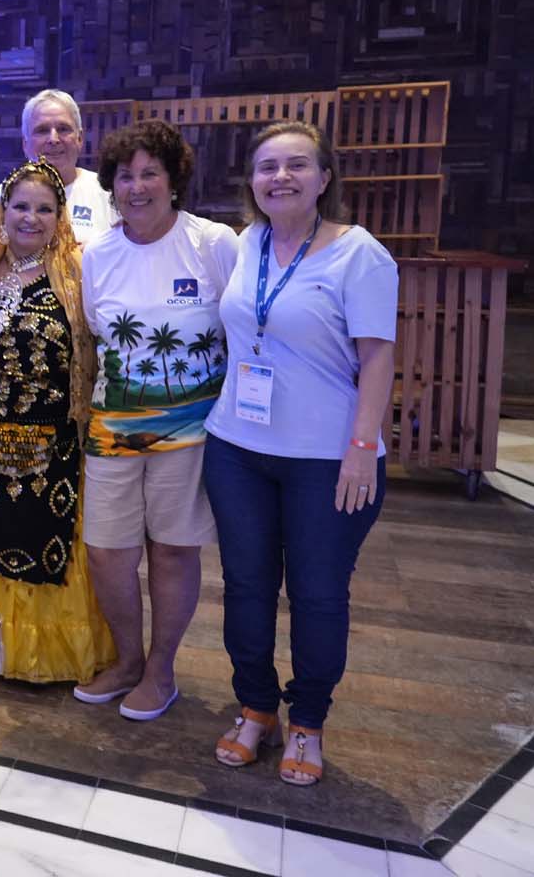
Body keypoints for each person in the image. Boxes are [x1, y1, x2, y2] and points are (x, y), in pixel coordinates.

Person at [204, 122, 396, 787]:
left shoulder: (359, 254)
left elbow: (377, 358)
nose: (280, 177)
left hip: (327, 458)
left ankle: (308, 720)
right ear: (252, 181)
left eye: (296, 165)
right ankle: (255, 707)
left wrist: (362, 448)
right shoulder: (245, 244)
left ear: (324, 178)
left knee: (317, 595)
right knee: (246, 586)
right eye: (267, 166)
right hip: (237, 448)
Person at [75, 121, 239, 718]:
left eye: (150, 174)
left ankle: (161, 671)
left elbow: (240, 332)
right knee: (107, 551)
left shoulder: (214, 243)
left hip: (191, 433)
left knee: (172, 550)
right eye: (126, 176)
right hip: (112, 429)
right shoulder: (97, 255)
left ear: (174, 181)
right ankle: (127, 660)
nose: (137, 187)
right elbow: (97, 333)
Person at [0, 161, 114, 684]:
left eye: (44, 209)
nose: (31, 218)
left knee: (46, 544)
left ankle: (40, 656)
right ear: (2, 212)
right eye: (21, 206)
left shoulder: (79, 277)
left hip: (53, 449)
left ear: (60, 217)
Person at [0, 89, 113, 246]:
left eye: (63, 129)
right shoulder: (6, 192)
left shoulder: (106, 190)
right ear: (25, 144)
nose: (53, 139)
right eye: (42, 130)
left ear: (79, 138)